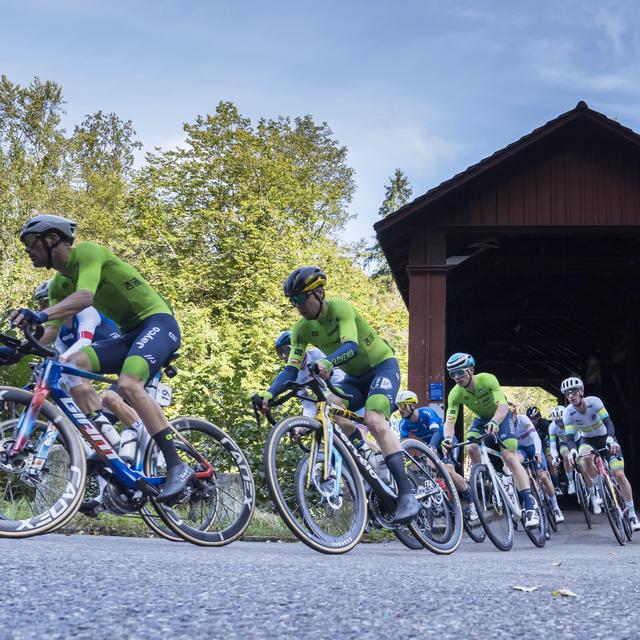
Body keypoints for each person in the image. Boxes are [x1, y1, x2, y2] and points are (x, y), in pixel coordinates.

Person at [10, 213, 190, 502]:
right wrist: (18, 350)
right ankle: (105, 443)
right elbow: (52, 332)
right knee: (68, 367)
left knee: (130, 384)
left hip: (158, 323)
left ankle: (177, 465)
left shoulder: (88, 253)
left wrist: (40, 314)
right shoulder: (58, 286)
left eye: (31, 242)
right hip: (129, 334)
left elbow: (85, 297)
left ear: (52, 238)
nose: (28, 250)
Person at [254, 266, 420, 524]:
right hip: (355, 379)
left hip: (381, 367)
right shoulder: (300, 330)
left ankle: (407, 494)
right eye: (293, 301)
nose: (298, 306)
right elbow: (291, 368)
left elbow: (350, 346)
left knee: (375, 420)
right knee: (331, 409)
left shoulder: (341, 309)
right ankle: (367, 455)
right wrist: (269, 392)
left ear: (319, 293)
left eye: (301, 299)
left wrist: (329, 363)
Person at [442, 352, 540, 528]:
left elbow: (503, 406)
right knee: (471, 446)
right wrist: (447, 438)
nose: (456, 377)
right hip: (481, 420)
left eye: (460, 372)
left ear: (471, 370)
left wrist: (495, 421)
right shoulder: (455, 393)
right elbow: (450, 420)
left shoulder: (487, 380)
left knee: (510, 456)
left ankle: (530, 503)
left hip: (501, 417)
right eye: (452, 374)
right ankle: (488, 478)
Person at [562, 376, 640, 530]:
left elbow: (608, 423)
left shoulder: (594, 402)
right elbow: (570, 438)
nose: (571, 395)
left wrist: (611, 439)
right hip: (587, 441)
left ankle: (632, 515)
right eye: (567, 393)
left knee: (619, 474)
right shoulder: (568, 413)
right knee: (585, 458)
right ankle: (599, 487)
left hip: (606, 437)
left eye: (574, 392)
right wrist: (571, 450)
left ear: (581, 391)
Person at [396, 389, 478, 522]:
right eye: (398, 406)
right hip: (431, 448)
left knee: (449, 471)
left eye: (403, 405)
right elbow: (404, 444)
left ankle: (472, 503)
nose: (400, 409)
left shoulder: (427, 412)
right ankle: (444, 502)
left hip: (446, 443)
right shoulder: (403, 424)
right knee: (430, 471)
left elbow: (437, 433)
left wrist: (432, 446)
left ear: (412, 405)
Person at [510, 402, 564, 523]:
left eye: (511, 416)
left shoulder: (523, 420)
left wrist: (538, 453)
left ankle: (556, 508)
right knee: (515, 463)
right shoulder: (505, 426)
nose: (510, 419)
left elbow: (535, 437)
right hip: (521, 450)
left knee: (543, 476)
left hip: (533, 447)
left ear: (515, 414)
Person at [273, 330, 346, 418]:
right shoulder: (294, 376)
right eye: (280, 353)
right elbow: (308, 406)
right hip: (328, 399)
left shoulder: (317, 354)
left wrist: (329, 396)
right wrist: (303, 425)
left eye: (286, 350)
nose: (284, 356)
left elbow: (340, 378)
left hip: (343, 392)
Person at [525, 405, 561, 494]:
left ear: (539, 416)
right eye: (531, 418)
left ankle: (556, 487)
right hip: (534, 447)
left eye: (536, 417)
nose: (533, 420)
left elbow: (552, 437)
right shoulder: (527, 425)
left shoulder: (544, 423)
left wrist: (555, 452)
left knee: (550, 461)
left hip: (545, 445)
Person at [548, 405, 576, 495]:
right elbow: (552, 447)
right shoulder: (552, 427)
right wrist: (555, 457)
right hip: (564, 443)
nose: (560, 424)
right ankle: (571, 482)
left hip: (578, 440)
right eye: (557, 422)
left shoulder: (572, 420)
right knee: (566, 456)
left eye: (561, 420)